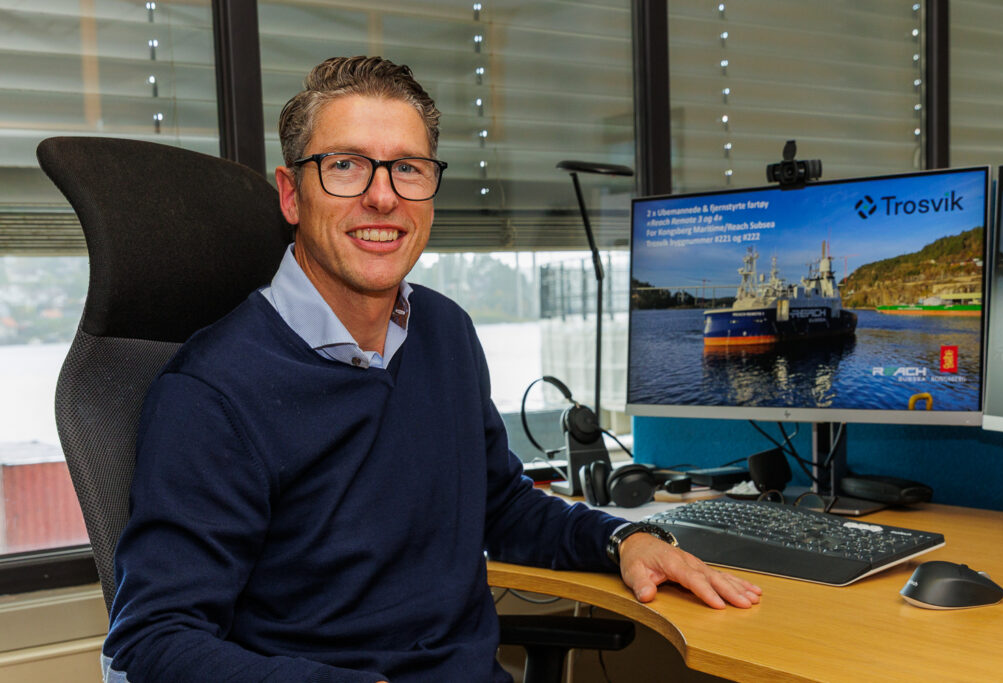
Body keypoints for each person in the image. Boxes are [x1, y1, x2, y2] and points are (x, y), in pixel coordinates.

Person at [101, 56, 760, 683]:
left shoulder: (444, 332)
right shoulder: (212, 391)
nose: (383, 197)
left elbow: (499, 505)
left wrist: (621, 540)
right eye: (347, 166)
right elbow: (155, 637)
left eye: (407, 169)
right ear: (292, 193)